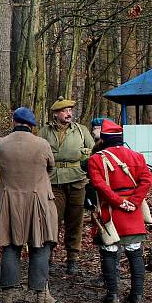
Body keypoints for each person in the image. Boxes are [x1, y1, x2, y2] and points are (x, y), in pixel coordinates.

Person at [0, 108, 59, 303]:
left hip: (10, 201)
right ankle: (42, 296)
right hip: (38, 201)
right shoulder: (42, 144)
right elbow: (51, 168)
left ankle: (7, 295)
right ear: (32, 125)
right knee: (40, 246)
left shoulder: (1, 144)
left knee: (10, 246)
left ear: (14, 121)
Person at [87, 120, 152, 303]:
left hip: (110, 210)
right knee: (135, 252)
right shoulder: (136, 156)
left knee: (109, 251)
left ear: (105, 139)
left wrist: (119, 202)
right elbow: (147, 180)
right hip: (133, 211)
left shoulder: (96, 159)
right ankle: (137, 295)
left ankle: (113, 295)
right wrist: (133, 202)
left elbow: (99, 185)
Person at [37, 97, 94, 275]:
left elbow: (93, 153)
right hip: (53, 182)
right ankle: (48, 256)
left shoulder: (81, 131)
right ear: (56, 114)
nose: (69, 114)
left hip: (77, 181)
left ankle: (72, 259)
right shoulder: (44, 132)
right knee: (52, 220)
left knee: (75, 222)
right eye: (64, 111)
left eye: (70, 110)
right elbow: (36, 154)